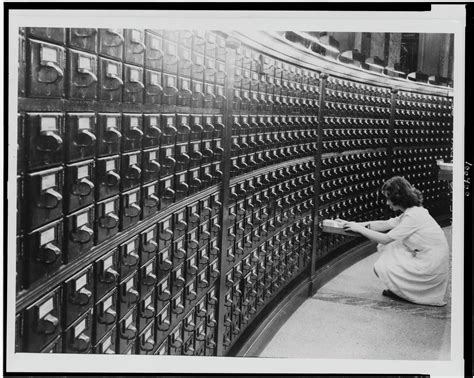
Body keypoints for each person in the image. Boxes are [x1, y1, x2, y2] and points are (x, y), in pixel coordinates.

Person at [339, 176, 450, 306]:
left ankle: (405, 292)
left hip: (430, 267)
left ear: (398, 198)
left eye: (388, 198)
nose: (387, 203)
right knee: (392, 246)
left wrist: (359, 229)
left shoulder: (413, 216)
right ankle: (401, 290)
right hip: (429, 261)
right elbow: (385, 224)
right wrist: (352, 224)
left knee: (384, 259)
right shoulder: (413, 211)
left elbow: (385, 239)